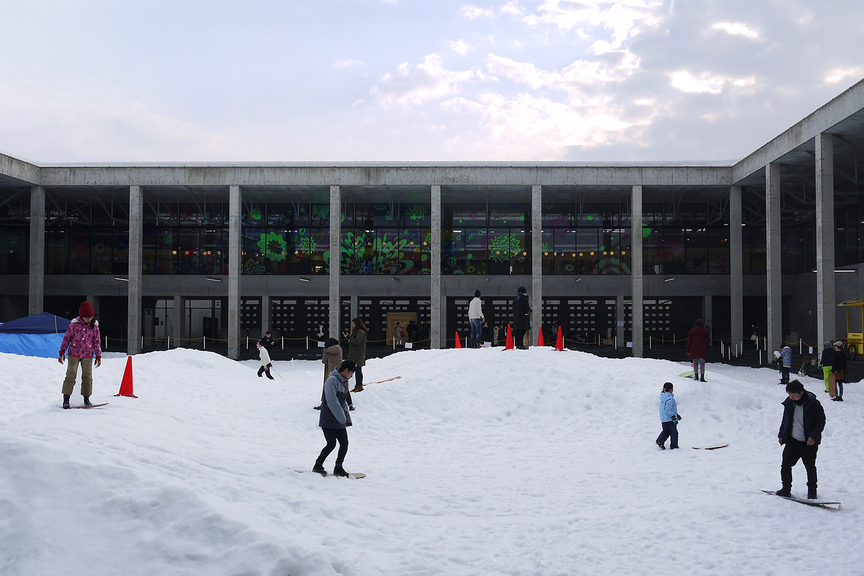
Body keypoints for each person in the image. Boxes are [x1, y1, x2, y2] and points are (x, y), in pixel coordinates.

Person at [777, 380, 825, 499]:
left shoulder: (813, 404)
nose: (791, 397)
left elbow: (821, 421)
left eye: (793, 394)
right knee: (785, 465)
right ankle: (786, 489)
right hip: (792, 441)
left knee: (810, 467)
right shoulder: (789, 402)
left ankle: (812, 493)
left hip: (808, 443)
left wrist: (813, 436)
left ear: (801, 392)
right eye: (789, 394)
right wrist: (781, 434)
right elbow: (785, 420)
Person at [313, 359, 356, 477]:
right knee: (331, 444)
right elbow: (333, 402)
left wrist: (347, 418)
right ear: (346, 370)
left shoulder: (344, 382)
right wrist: (342, 417)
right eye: (351, 373)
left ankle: (338, 467)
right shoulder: (331, 381)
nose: (352, 376)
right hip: (328, 418)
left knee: (344, 443)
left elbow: (343, 403)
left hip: (339, 419)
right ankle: (318, 465)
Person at [58, 301, 102, 409]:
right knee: (71, 374)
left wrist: (98, 355)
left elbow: (96, 341)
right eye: (87, 317)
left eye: (91, 317)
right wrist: (62, 351)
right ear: (81, 316)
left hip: (87, 354)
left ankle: (87, 398)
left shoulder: (94, 327)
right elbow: (67, 338)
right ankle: (66, 399)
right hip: (74, 353)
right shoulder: (74, 325)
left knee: (87, 376)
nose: (89, 319)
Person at [344, 318, 367, 393]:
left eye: (354, 324)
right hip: (355, 354)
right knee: (357, 370)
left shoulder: (360, 332)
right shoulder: (357, 331)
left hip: (357, 355)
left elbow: (357, 342)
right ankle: (357, 385)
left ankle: (359, 385)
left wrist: (350, 338)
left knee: (358, 370)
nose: (353, 326)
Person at [655, 382, 680, 450]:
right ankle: (674, 446)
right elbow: (668, 409)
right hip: (670, 419)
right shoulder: (670, 398)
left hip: (664, 418)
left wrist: (676, 415)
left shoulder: (663, 397)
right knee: (674, 432)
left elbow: (665, 408)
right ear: (670, 389)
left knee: (666, 431)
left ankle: (660, 440)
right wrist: (673, 417)